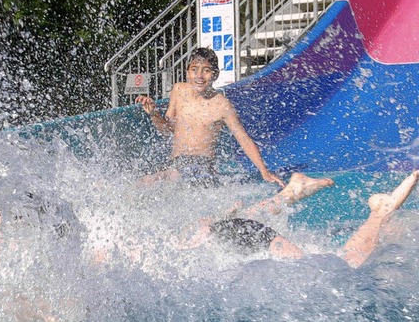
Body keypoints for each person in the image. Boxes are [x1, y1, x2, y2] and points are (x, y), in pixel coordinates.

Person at [175, 170, 419, 268]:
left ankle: (379, 213)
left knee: (338, 266)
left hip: (237, 235)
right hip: (232, 232)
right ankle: (293, 191)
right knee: (336, 264)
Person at [135, 47, 284, 187]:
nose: (199, 76)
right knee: (144, 182)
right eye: (194, 70)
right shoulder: (179, 91)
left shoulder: (221, 105)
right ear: (187, 72)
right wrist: (154, 114)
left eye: (206, 71)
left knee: (163, 179)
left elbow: (243, 139)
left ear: (215, 74)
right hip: (176, 163)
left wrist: (264, 171)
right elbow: (167, 130)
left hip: (202, 166)